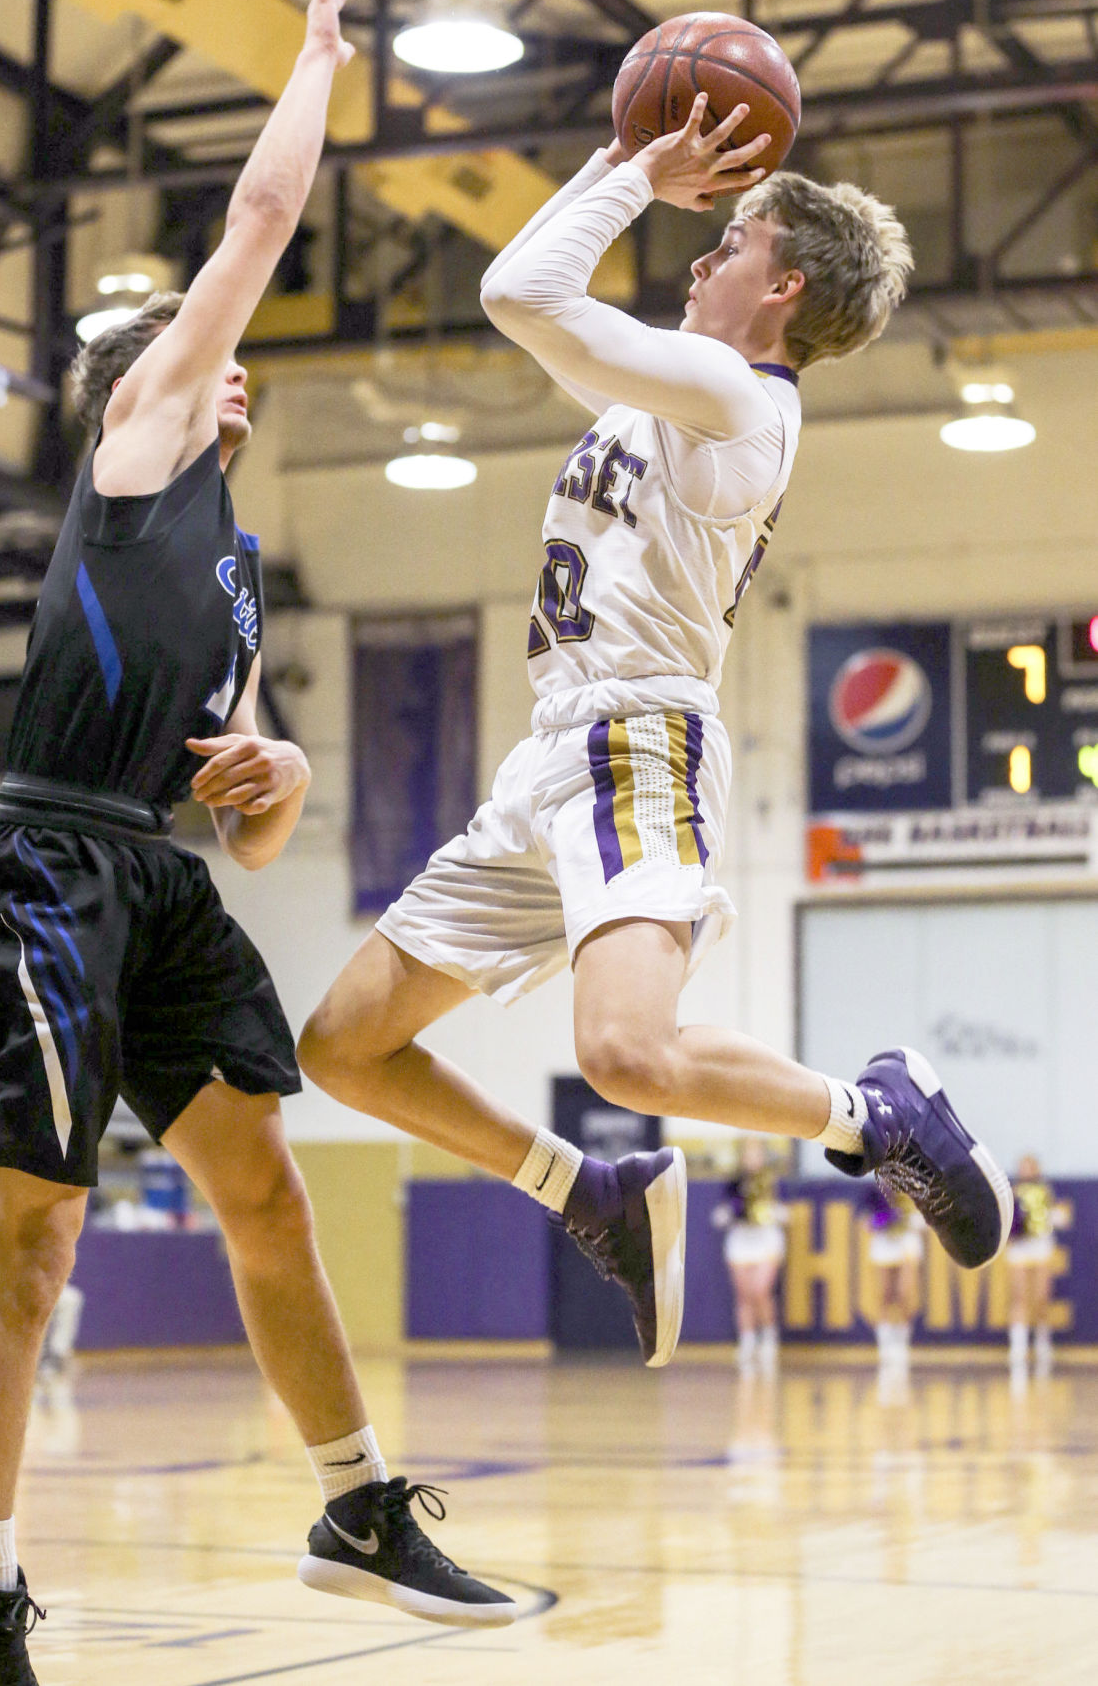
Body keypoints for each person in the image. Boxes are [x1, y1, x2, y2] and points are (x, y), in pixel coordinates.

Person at [0, 0, 513, 1686]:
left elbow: (260, 823)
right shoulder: (132, 448)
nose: (240, 385)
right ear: (162, 374)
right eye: (219, 363)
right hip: (45, 861)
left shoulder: (231, 571)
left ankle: (356, 1507)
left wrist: (270, 787)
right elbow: (262, 226)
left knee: (264, 1191)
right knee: (32, 1238)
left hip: (163, 878)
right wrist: (317, 59)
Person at [297, 90, 1014, 1372]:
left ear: (784, 285)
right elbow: (543, 304)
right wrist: (627, 163)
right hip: (546, 759)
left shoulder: (738, 398)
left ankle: (874, 1112)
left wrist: (629, 166)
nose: (700, 250)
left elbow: (520, 293)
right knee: (343, 1046)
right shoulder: (673, 390)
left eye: (729, 239)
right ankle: (589, 1192)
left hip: (638, 740)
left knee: (626, 1051)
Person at [710, 1138, 788, 1371]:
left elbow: (784, 1210)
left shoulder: (771, 1180)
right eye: (748, 1153)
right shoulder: (734, 1183)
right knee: (744, 1294)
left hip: (766, 1241)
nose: (752, 1158)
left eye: (756, 1153)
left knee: (761, 1291)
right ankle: (747, 1341)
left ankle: (769, 1339)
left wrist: (774, 1213)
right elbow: (723, 1212)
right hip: (741, 1242)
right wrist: (729, 1214)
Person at [1007, 1153, 1068, 1376]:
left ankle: (1043, 1342)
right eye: (1022, 1167)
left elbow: (1054, 1214)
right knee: (1019, 1296)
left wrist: (1055, 1216)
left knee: (1042, 1296)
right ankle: (1018, 1346)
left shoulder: (1045, 1191)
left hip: (1041, 1245)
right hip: (1020, 1248)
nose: (1026, 1171)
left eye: (1029, 1167)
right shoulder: (1011, 1192)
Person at [862, 1182, 924, 1373]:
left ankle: (902, 1343)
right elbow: (868, 1215)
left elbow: (927, 1210)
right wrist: (879, 1220)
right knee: (885, 1292)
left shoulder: (916, 1179)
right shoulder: (878, 1183)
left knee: (904, 1292)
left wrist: (911, 1219)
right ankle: (885, 1345)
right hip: (884, 1241)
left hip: (906, 1240)